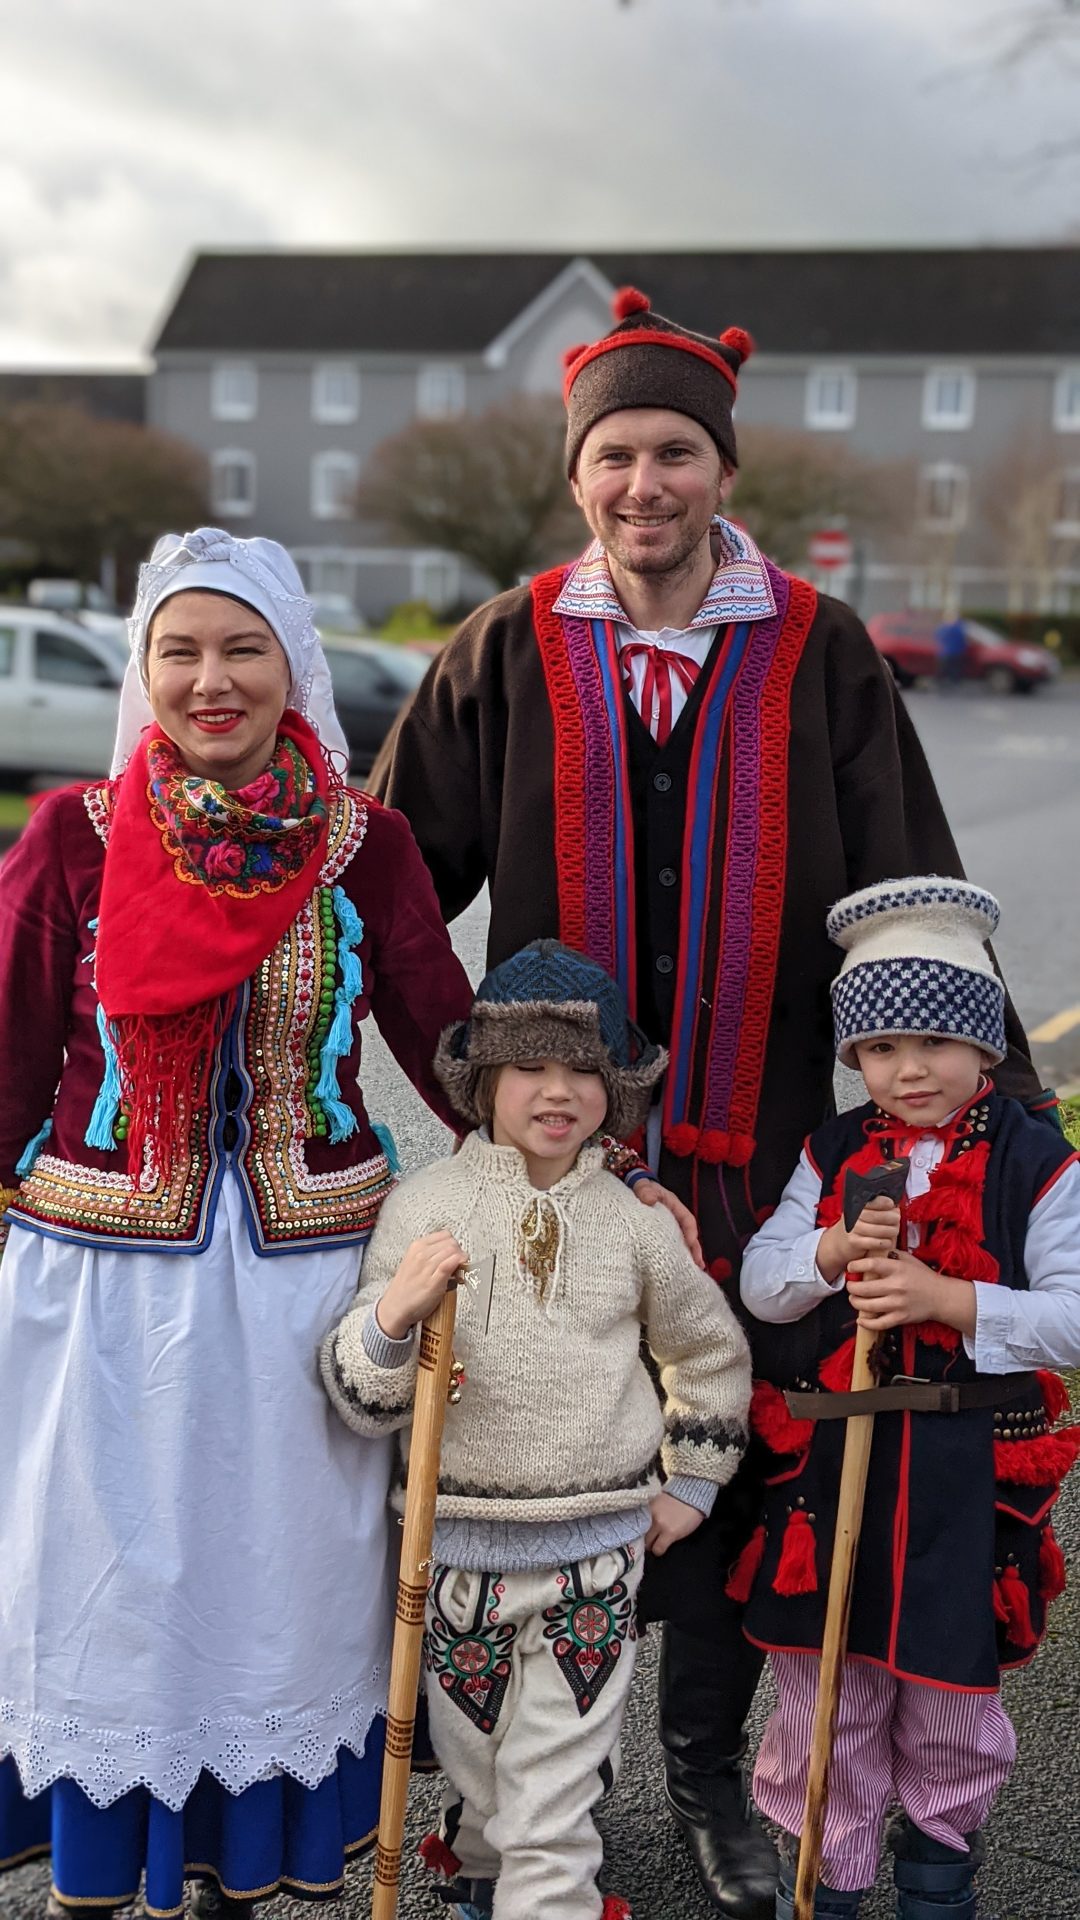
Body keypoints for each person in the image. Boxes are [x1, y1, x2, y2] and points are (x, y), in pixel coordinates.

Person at [370, 286, 1049, 1916]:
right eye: (615, 454)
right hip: (555, 1170)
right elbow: (392, 887)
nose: (644, 484)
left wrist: (1015, 1131)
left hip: (761, 1171)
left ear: (719, 471)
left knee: (742, 1480)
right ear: (578, 471)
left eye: (677, 450)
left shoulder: (813, 650)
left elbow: (913, 895)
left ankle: (702, 1783)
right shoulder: (508, 647)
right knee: (537, 1466)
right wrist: (407, 1071)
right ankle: (542, 1799)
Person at [0, 528, 479, 1919]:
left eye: (243, 649)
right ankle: (115, 1852)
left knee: (281, 1584)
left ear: (294, 665)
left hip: (304, 1292)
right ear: (143, 669)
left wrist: (566, 1177)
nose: (213, 682)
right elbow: (11, 1049)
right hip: (101, 1284)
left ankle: (252, 1860)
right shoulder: (71, 839)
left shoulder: (363, 847)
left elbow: (446, 1039)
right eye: (181, 651)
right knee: (121, 1582)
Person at [322, 939, 752, 1920]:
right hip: (455, 1557)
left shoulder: (638, 1224)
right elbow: (360, 1395)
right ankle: (480, 1863)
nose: (558, 1092)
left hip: (594, 1556)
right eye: (530, 1066)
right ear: (481, 1081)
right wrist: (395, 1318)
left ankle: (536, 1889)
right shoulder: (421, 1208)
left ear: (614, 1089)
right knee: (481, 1766)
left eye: (582, 1070)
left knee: (554, 1804)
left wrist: (690, 1483)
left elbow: (709, 1352)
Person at [737, 878, 1080, 1919]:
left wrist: (951, 1298)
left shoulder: (1040, 1162)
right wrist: (832, 1250)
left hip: (966, 1471)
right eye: (880, 1047)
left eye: (935, 1040)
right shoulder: (834, 1153)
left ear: (984, 1046)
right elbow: (762, 1279)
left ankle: (939, 1866)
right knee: (829, 1688)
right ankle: (827, 1879)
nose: (909, 1068)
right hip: (839, 1463)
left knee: (947, 1691)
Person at [934, 613, 968, 691]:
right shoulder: (960, 628)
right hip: (956, 653)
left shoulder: (944, 628)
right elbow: (963, 640)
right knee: (955, 670)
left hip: (945, 653)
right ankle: (954, 684)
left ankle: (941, 684)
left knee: (943, 669)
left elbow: (937, 637)